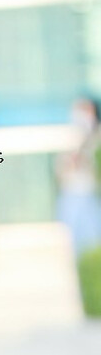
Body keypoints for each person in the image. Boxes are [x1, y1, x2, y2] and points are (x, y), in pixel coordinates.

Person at [55, 95, 101, 260]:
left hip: (89, 194)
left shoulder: (95, 136)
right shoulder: (72, 135)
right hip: (72, 193)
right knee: (76, 245)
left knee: (93, 240)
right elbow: (62, 169)